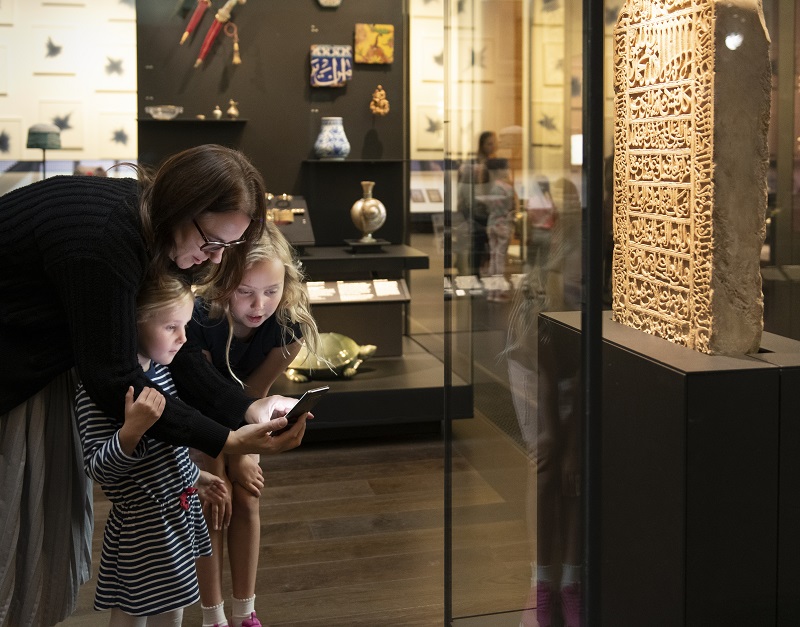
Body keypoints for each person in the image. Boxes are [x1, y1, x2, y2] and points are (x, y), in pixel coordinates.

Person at [0, 144, 306, 627]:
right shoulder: (106, 242)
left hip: (37, 362)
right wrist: (226, 440)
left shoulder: (150, 227)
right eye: (212, 242)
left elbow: (176, 350)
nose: (213, 257)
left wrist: (245, 409)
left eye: (226, 247)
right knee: (16, 537)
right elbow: (115, 380)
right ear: (183, 207)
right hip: (17, 373)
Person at [188, 223, 323, 627]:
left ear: (287, 285)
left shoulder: (289, 327)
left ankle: (245, 612)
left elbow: (254, 393)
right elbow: (205, 395)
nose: (259, 305)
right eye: (245, 291)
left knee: (247, 494)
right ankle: (212, 616)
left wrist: (244, 454)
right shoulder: (199, 318)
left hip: (244, 413)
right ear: (222, 281)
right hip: (194, 415)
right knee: (215, 498)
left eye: (271, 291)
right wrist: (228, 455)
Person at [76, 274, 229, 626]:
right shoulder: (97, 389)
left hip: (178, 515)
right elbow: (98, 469)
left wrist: (194, 477)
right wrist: (131, 431)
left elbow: (167, 451)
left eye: (185, 326)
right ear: (134, 323)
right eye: (171, 326)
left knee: (174, 607)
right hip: (141, 528)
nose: (183, 338)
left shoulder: (162, 373)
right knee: (132, 612)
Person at [456, 130, 498, 276]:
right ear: (482, 145)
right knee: (478, 245)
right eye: (489, 144)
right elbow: (464, 188)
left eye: (494, 143)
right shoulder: (474, 164)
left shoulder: (491, 162)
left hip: (488, 209)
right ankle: (475, 275)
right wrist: (468, 206)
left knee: (488, 246)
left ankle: (481, 274)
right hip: (476, 210)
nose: (493, 147)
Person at [483, 157, 517, 302]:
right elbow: (511, 207)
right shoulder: (507, 188)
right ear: (499, 170)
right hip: (503, 224)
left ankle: (492, 292)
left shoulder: (489, 187)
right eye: (506, 168)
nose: (508, 170)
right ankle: (498, 292)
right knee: (500, 258)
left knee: (493, 257)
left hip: (492, 223)